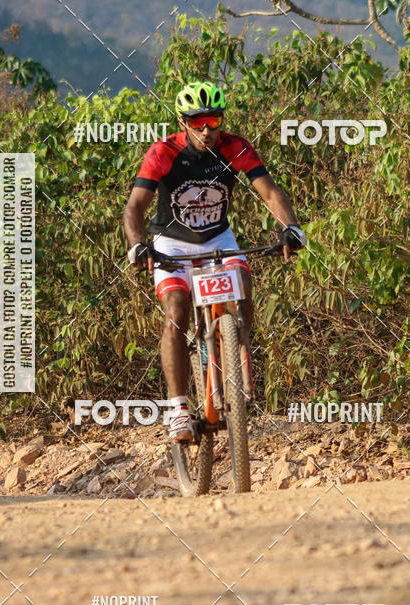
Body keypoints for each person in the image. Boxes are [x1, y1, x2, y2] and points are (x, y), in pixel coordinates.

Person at [123, 80, 306, 443]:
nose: (207, 130)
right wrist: (138, 246)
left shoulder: (236, 147)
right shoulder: (163, 152)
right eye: (198, 122)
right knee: (176, 310)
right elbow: (134, 208)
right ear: (182, 122)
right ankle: (178, 409)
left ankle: (236, 355)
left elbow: (269, 191)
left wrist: (291, 228)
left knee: (242, 286)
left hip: (217, 238)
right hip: (172, 244)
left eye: (214, 121)